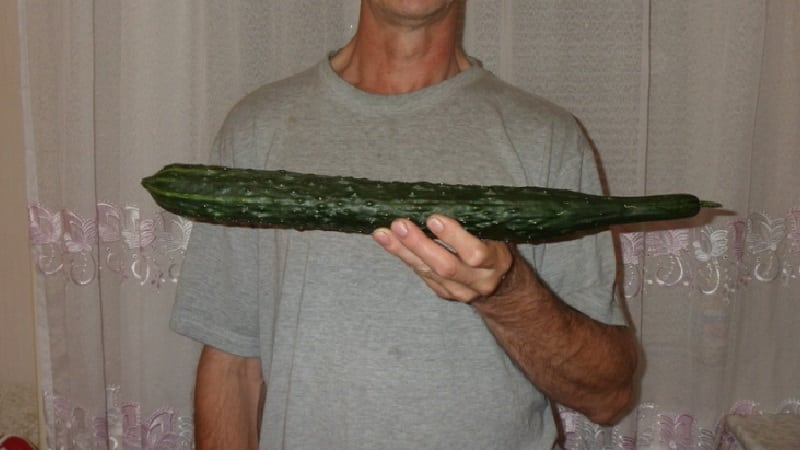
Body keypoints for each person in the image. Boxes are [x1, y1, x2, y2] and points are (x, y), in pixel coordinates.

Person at [171, 1, 639, 449]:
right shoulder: (256, 128)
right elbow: (231, 366)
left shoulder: (549, 138)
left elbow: (608, 397)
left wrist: (507, 293)